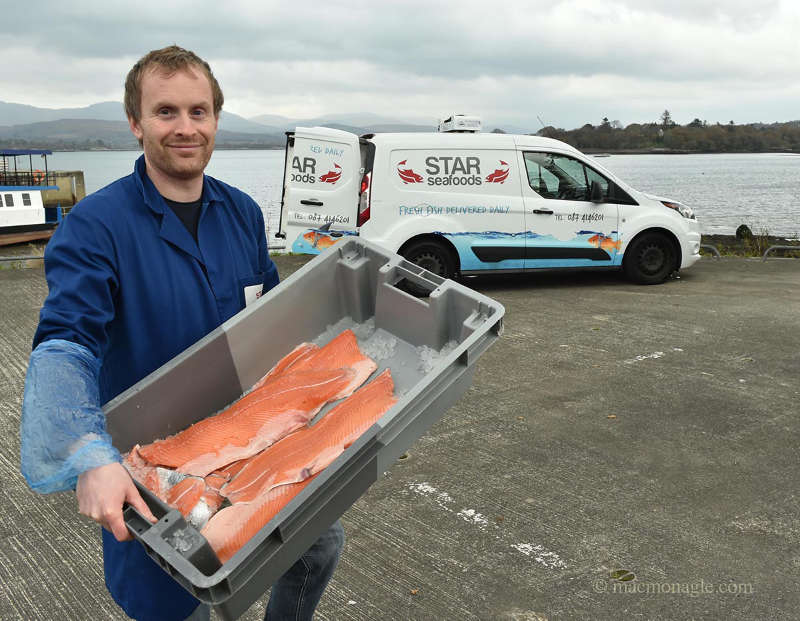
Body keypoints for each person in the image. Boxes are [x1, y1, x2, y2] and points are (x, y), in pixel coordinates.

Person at [20, 45, 344, 621]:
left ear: (216, 118)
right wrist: (90, 456)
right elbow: (66, 344)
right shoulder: (96, 226)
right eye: (166, 112)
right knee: (182, 603)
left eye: (199, 111)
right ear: (135, 122)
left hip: (249, 434)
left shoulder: (242, 212)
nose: (185, 127)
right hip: (154, 465)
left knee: (319, 544)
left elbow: (269, 317)